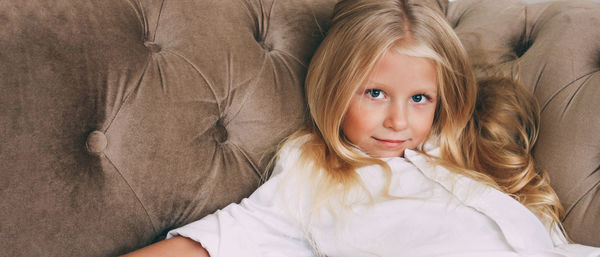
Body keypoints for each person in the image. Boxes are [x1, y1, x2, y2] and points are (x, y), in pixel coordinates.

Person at [123, 0, 600, 256]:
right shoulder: (312, 173)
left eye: (419, 99)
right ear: (335, 86)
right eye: (374, 93)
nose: (398, 121)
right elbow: (222, 238)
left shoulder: (452, 146)